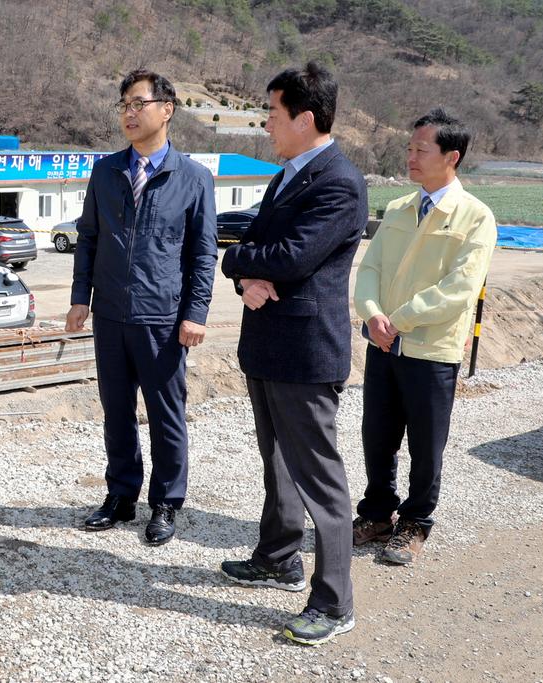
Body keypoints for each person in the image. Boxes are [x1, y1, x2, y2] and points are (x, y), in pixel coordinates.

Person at [218, 62, 367, 646]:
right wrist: (241, 274)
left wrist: (245, 263)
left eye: (272, 117)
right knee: (277, 461)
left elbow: (290, 257)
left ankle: (334, 602)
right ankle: (279, 556)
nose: (266, 127)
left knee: (320, 479)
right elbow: (251, 246)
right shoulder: (289, 175)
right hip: (269, 343)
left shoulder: (338, 181)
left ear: (305, 119)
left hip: (306, 351)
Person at [65, 68, 217, 546]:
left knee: (166, 414)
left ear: (166, 110)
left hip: (162, 319)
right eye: (124, 105)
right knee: (116, 411)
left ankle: (166, 503)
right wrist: (78, 298)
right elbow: (88, 238)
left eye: (138, 104)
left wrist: (195, 312)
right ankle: (120, 496)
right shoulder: (106, 170)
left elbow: (203, 252)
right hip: (110, 314)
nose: (129, 114)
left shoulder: (193, 178)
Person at [352, 108, 496, 565]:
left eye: (421, 150)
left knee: (426, 442)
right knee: (377, 436)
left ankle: (415, 523)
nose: (410, 157)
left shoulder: (475, 217)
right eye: (409, 148)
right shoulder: (398, 208)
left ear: (451, 157)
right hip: (384, 342)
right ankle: (377, 513)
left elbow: (461, 288)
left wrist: (400, 319)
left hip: (431, 349)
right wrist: (373, 315)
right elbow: (369, 269)